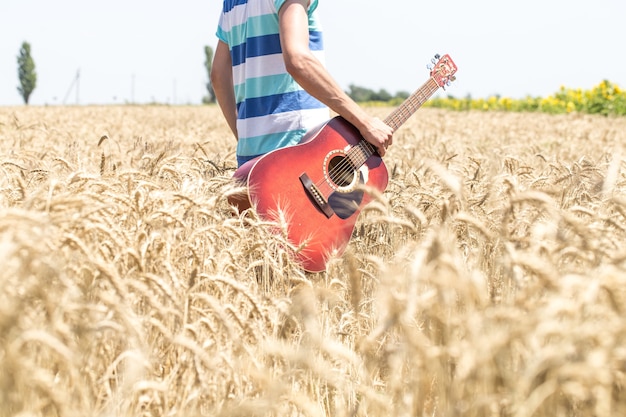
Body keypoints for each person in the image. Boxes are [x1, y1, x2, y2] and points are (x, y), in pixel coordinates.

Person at [210, 0, 393, 168]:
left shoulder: (231, 2)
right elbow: (298, 60)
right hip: (298, 146)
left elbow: (218, 76)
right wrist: (365, 122)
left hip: (250, 157)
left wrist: (246, 139)